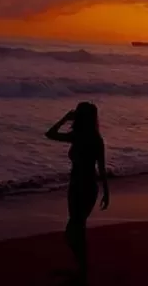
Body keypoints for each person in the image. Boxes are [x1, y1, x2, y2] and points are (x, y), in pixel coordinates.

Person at [46, 102, 110, 282]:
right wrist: (106, 192)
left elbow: (50, 133)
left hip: (80, 187)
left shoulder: (78, 136)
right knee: (77, 228)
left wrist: (65, 119)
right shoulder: (96, 138)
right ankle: (82, 269)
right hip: (88, 187)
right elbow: (102, 169)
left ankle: (82, 269)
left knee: (73, 230)